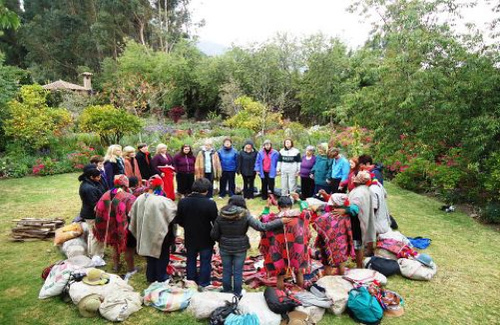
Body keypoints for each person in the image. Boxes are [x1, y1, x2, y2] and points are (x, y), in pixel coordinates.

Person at [211, 195, 288, 296]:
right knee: (238, 271)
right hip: (241, 247)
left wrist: (221, 240)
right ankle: (237, 293)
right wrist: (280, 221)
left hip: (224, 246)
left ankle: (227, 291)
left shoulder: (221, 214)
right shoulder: (245, 214)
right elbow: (261, 226)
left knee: (226, 270)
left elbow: (214, 234)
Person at [129, 177, 177, 283]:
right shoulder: (163, 201)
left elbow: (132, 215)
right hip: (161, 233)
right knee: (162, 255)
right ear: (160, 186)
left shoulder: (140, 198)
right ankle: (161, 277)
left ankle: (150, 277)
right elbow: (173, 216)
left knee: (150, 256)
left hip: (145, 232)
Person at [259, 196, 311, 289]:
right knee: (299, 271)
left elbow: (263, 219)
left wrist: (267, 207)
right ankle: (301, 291)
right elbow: (307, 210)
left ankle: (281, 295)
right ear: (291, 206)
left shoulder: (273, 218)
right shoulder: (300, 216)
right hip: (297, 248)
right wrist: (299, 200)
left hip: (279, 249)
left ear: (278, 207)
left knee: (280, 276)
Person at [176, 178, 218, 288]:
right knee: (205, 261)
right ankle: (204, 282)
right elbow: (215, 221)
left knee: (191, 260)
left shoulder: (183, 202)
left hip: (190, 235)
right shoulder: (210, 203)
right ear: (206, 190)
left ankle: (191, 281)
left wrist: (187, 225)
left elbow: (178, 220)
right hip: (206, 236)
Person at [93, 175, 137, 273]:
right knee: (129, 249)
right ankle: (131, 269)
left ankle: (116, 266)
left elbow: (97, 208)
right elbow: (133, 213)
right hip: (125, 228)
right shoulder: (128, 197)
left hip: (111, 226)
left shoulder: (106, 194)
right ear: (125, 185)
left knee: (115, 246)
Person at [332, 171, 376, 268]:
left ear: (359, 180)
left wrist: (344, 210)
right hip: (362, 220)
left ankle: (359, 266)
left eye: (355, 177)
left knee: (357, 245)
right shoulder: (366, 189)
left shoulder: (359, 192)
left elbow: (355, 209)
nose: (352, 178)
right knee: (358, 244)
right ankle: (359, 264)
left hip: (357, 221)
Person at [78, 164, 106, 261]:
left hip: (88, 213)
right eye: (98, 177)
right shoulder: (89, 188)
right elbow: (95, 205)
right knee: (96, 235)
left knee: (92, 234)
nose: (100, 178)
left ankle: (92, 253)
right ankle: (96, 255)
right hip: (92, 214)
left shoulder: (89, 183)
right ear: (91, 177)